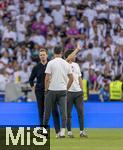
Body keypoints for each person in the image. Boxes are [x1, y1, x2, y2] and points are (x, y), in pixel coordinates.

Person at [43, 46, 74, 138]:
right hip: (62, 90)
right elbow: (72, 79)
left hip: (51, 90)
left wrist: (46, 89)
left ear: (53, 53)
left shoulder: (50, 63)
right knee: (63, 113)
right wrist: (66, 88)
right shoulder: (66, 64)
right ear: (61, 52)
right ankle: (62, 132)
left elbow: (47, 78)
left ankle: (44, 134)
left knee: (47, 112)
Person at [29, 49, 60, 134]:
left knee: (54, 110)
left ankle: (58, 131)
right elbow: (31, 80)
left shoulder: (52, 65)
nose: (42, 56)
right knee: (41, 111)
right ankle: (43, 131)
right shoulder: (36, 67)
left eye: (43, 54)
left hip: (51, 91)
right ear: (39, 56)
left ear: (47, 55)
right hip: (39, 92)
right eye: (41, 55)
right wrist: (34, 89)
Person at [64, 50, 88, 138]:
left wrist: (82, 90)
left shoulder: (76, 65)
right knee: (68, 113)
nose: (75, 56)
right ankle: (69, 132)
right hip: (68, 92)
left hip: (78, 92)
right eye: (74, 55)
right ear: (69, 56)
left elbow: (79, 78)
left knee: (80, 112)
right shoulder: (64, 64)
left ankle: (82, 132)